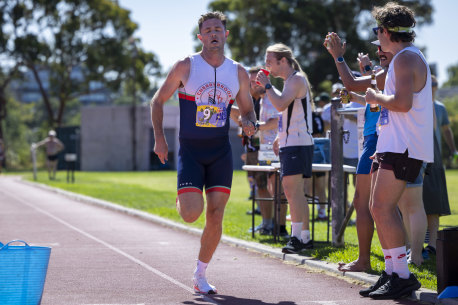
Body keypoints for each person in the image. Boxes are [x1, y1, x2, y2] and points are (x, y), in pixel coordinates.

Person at [150, 11, 256, 295]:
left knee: (216, 214)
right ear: (200, 37)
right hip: (192, 150)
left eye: (217, 29)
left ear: (225, 34)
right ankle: (184, 199)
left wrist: (249, 122)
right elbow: (157, 101)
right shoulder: (186, 66)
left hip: (220, 151)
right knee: (190, 214)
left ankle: (200, 273)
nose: (213, 33)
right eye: (207, 30)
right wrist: (160, 138)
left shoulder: (238, 71)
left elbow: (247, 109)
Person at [358, 2, 432, 299]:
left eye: (378, 30)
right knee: (378, 209)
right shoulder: (404, 58)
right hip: (395, 145)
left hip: (403, 147)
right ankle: (392, 272)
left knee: (383, 209)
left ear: (386, 31)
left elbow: (402, 103)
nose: (377, 35)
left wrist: (375, 95)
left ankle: (401, 275)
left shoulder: (404, 59)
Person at [325, 33, 392, 272]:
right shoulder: (390, 71)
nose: (376, 55)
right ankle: (393, 264)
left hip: (376, 139)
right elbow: (374, 100)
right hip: (376, 139)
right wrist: (355, 96)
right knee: (380, 205)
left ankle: (368, 262)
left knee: (364, 203)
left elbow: (356, 84)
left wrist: (338, 58)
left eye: (380, 49)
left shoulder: (388, 71)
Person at [256, 43, 314, 254]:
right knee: (294, 192)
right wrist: (280, 137)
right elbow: (288, 113)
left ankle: (297, 237)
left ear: (283, 61)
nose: (266, 65)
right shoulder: (292, 80)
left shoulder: (296, 79)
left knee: (292, 192)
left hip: (298, 143)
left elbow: (280, 105)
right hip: (293, 142)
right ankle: (303, 237)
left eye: (269, 61)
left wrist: (268, 85)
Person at [231, 66, 287, 236]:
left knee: (277, 188)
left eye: (258, 79)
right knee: (261, 187)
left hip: (274, 149)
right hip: (260, 149)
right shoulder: (257, 98)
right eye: (252, 81)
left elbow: (275, 121)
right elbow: (242, 117)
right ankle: (268, 224)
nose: (255, 84)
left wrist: (252, 126)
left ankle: (281, 227)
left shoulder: (273, 95)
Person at [422, 75, 452, 255]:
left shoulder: (435, 106)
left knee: (433, 203)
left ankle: (432, 246)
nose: (432, 87)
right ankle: (413, 247)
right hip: (416, 154)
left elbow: (437, 130)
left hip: (432, 155)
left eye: (433, 84)